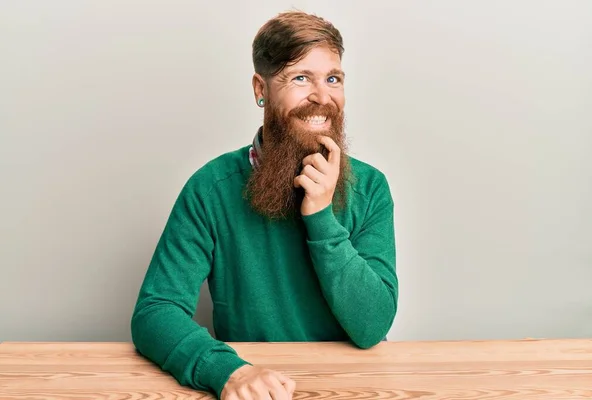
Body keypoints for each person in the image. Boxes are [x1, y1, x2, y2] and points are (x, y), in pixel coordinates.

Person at [131, 10, 398, 400]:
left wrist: (321, 218)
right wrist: (228, 372)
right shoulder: (211, 188)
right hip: (255, 389)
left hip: (356, 386)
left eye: (333, 79)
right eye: (300, 78)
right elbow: (156, 311)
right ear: (261, 88)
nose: (322, 97)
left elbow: (372, 325)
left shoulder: (371, 187)